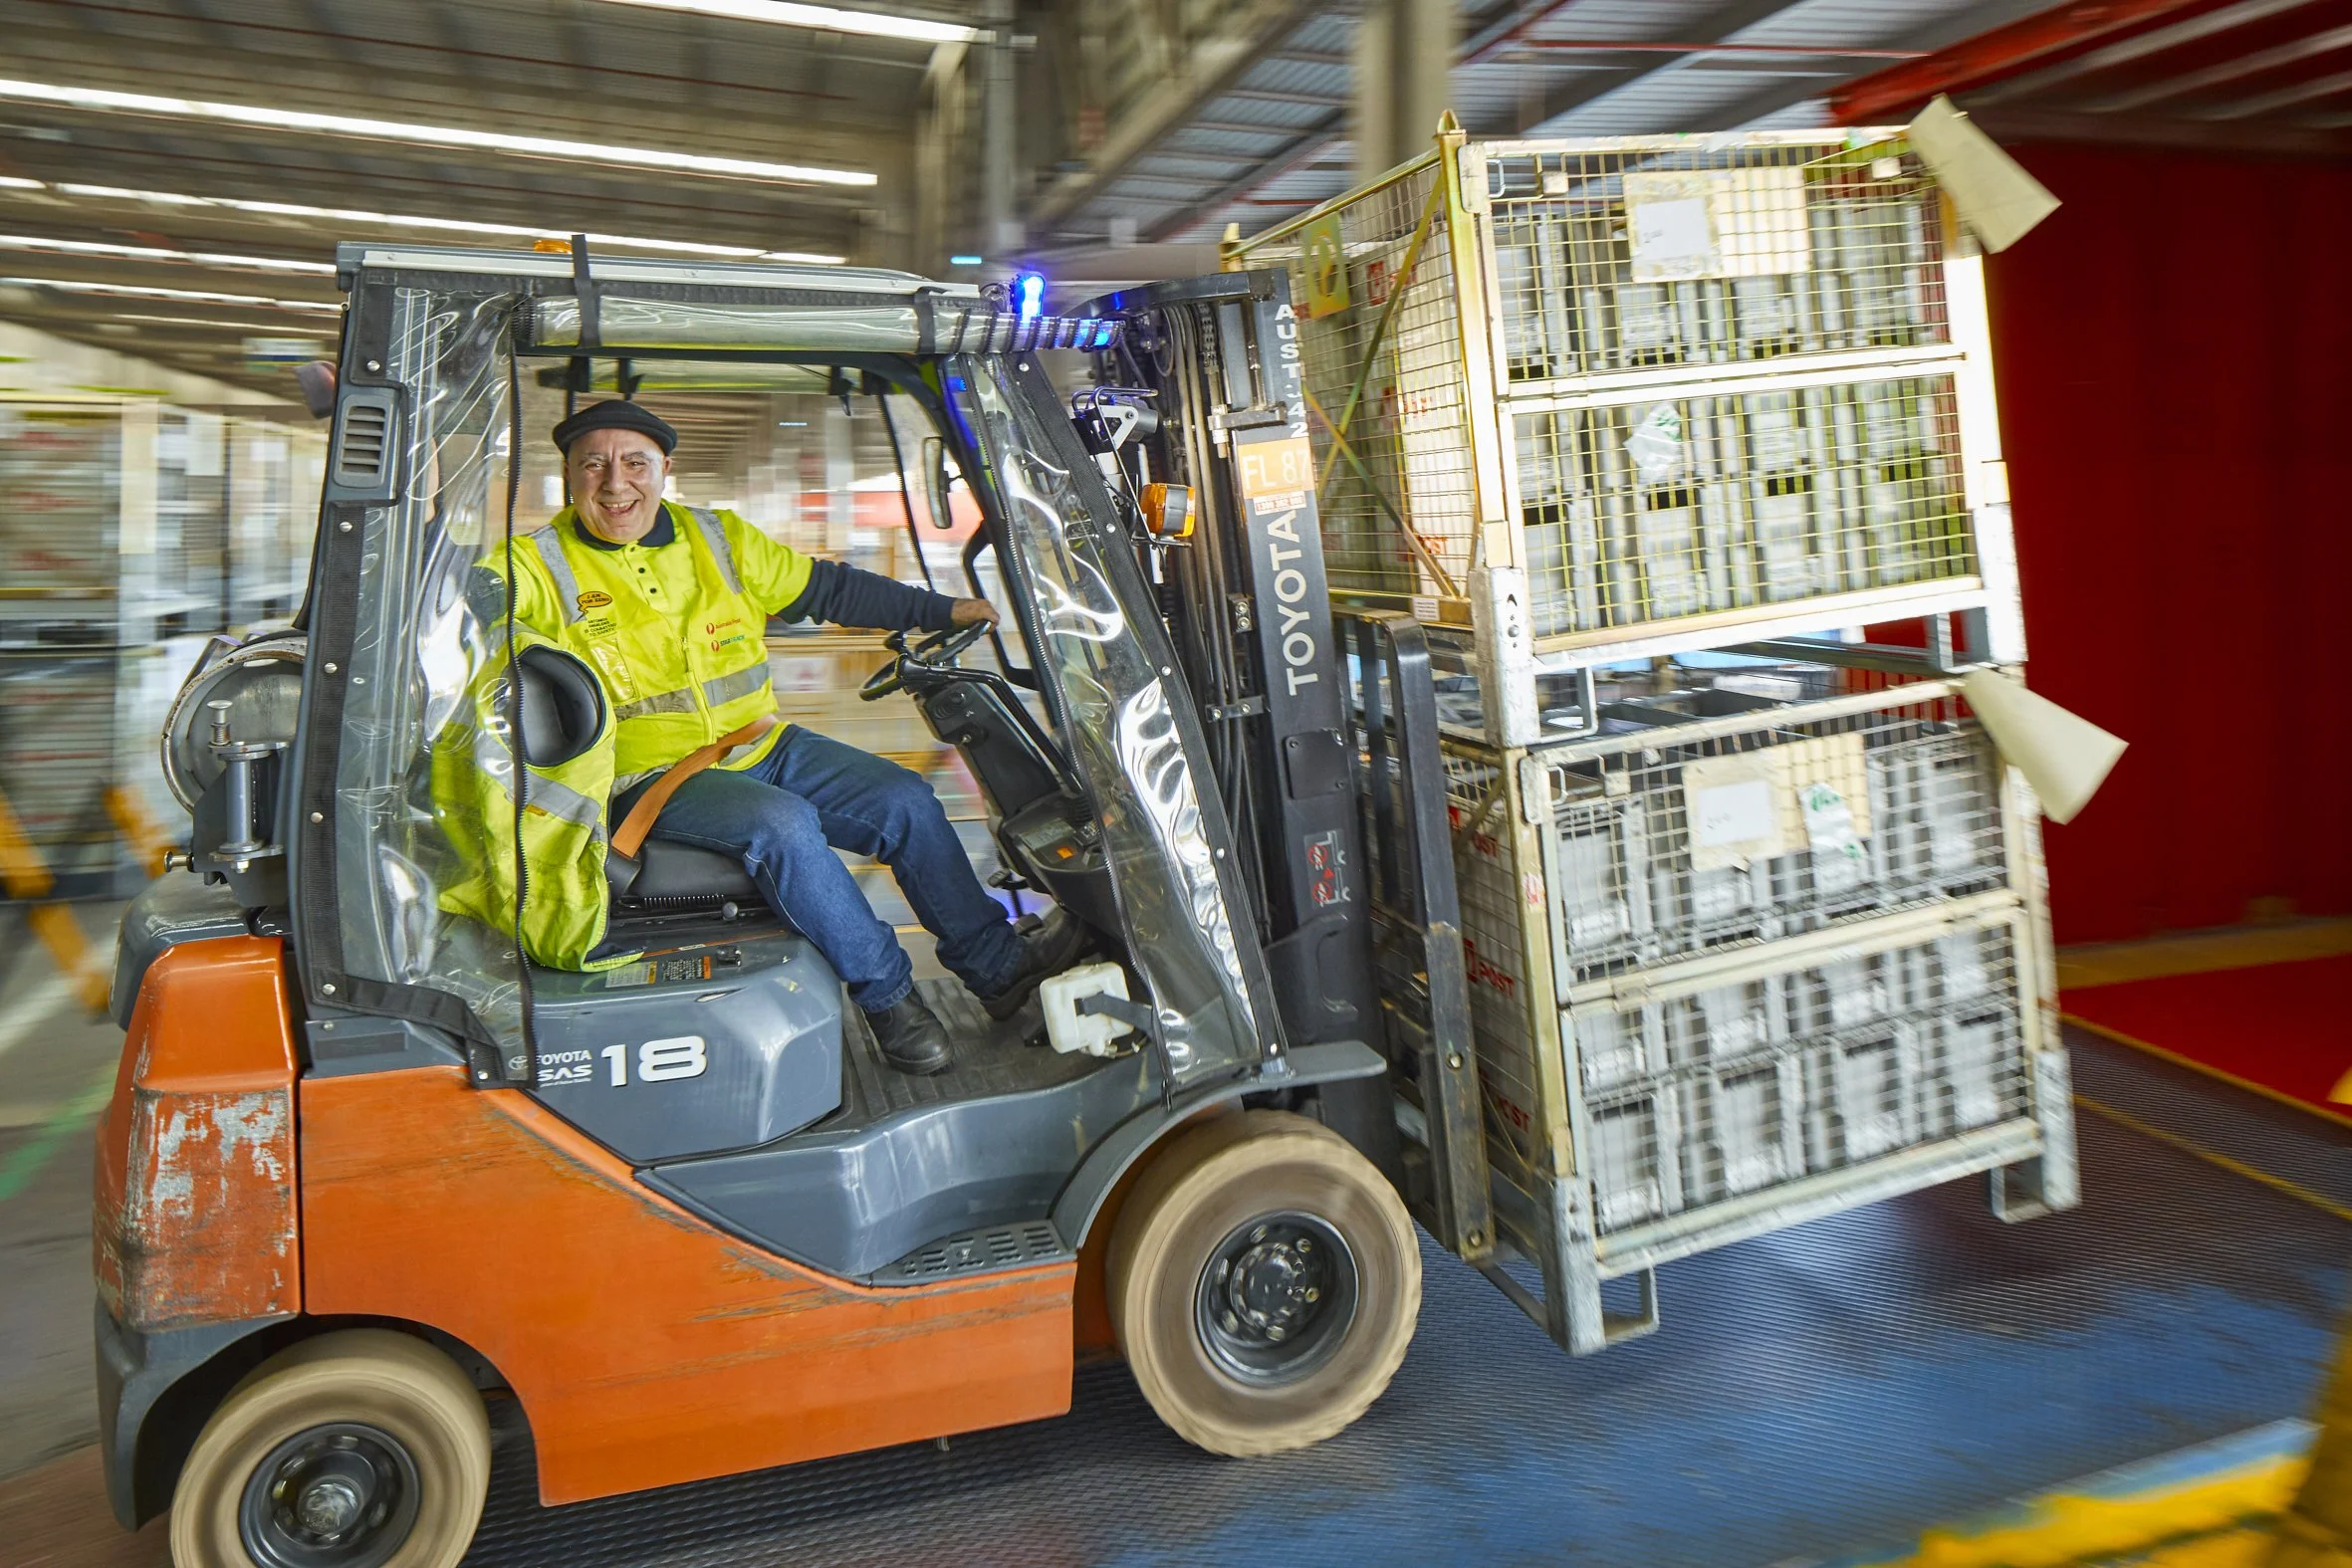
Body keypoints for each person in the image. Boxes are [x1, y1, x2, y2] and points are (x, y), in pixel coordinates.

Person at [500, 398, 1085, 1074]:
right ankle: (890, 997)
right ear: (570, 476)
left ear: (665, 468)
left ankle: (996, 965)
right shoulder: (533, 565)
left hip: (760, 744)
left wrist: (943, 608)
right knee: (782, 825)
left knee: (903, 798)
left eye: (634, 462)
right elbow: (451, 608)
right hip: (651, 782)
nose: (615, 482)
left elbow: (827, 589)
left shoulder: (717, 538)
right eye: (593, 465)